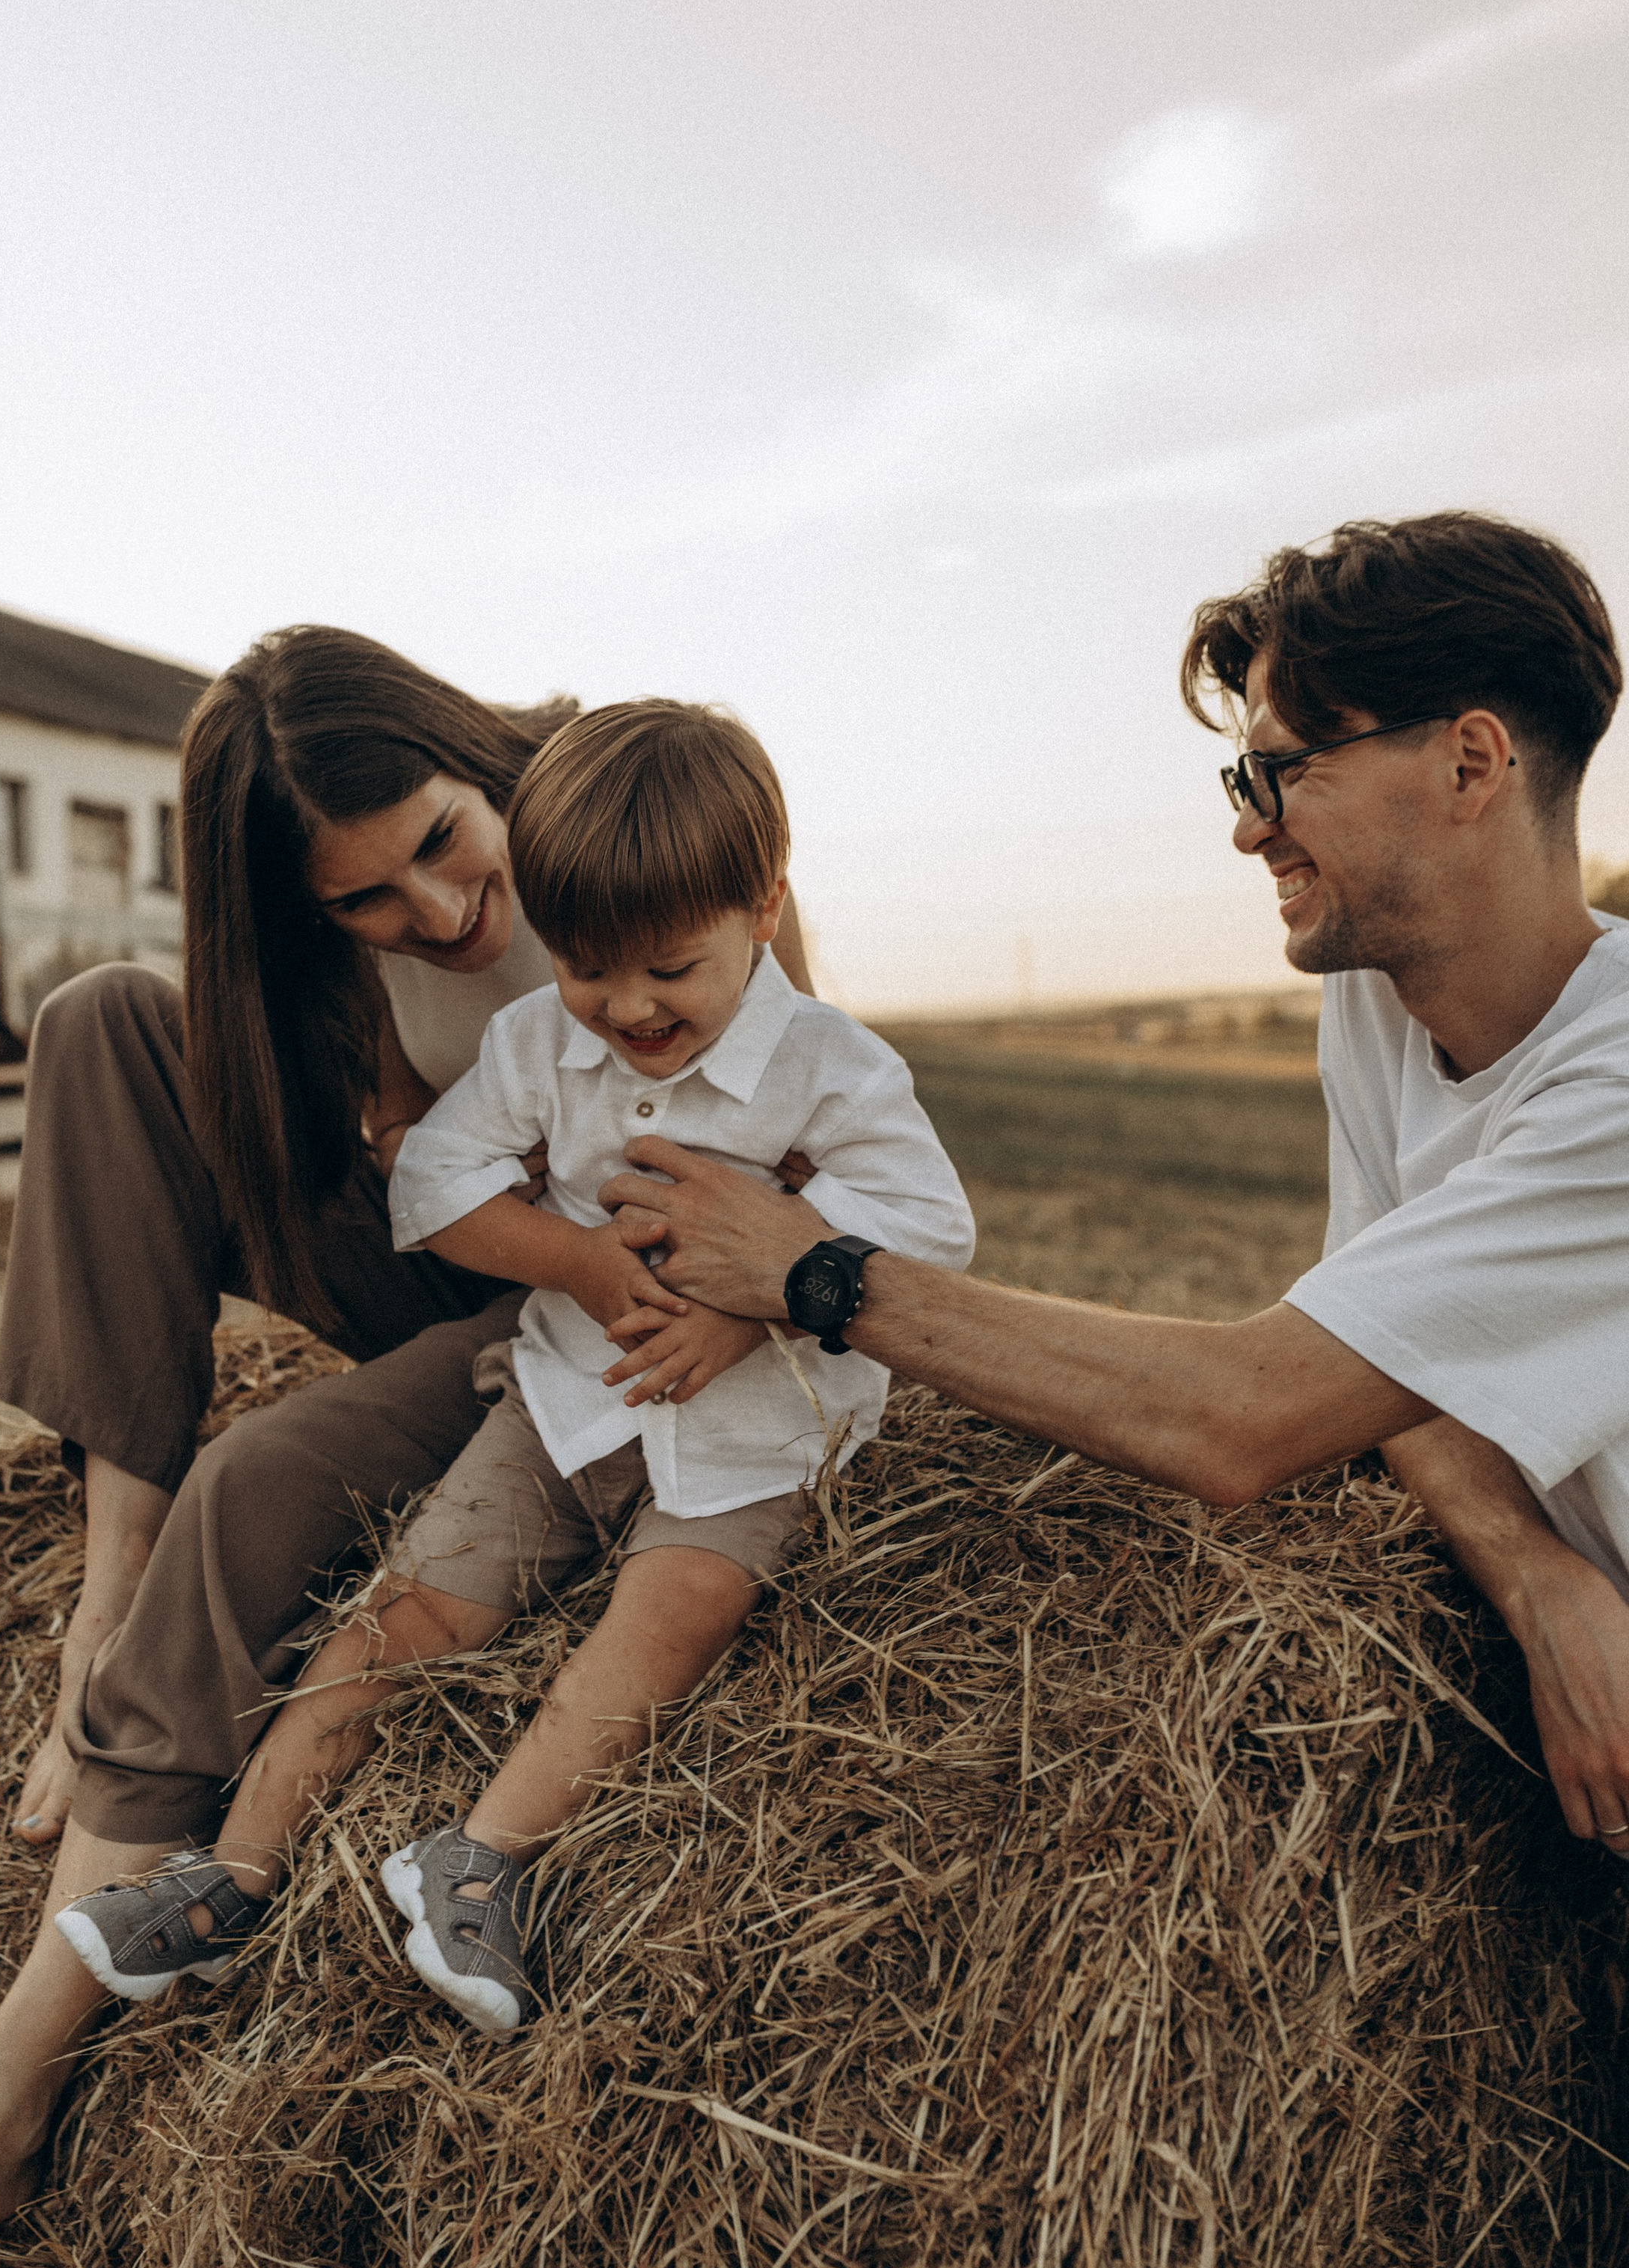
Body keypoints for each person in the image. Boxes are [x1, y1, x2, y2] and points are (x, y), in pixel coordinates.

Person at [0, 631, 819, 2268]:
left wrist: (659, 1283)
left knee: (265, 1481)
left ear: (476, 761)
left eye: (448, 847)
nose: (440, 915)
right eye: (367, 905)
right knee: (97, 1021)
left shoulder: (613, 807)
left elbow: (783, 1093)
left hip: (597, 1295)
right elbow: (395, 1161)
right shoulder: (316, 956)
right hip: (442, 1245)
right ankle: (109, 1585)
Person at [598, 512, 1629, 1863]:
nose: (1252, 834)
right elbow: (1392, 1377)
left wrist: (817, 1273)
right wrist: (1539, 1576)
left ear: (1473, 760)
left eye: (1283, 774)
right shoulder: (1380, 1004)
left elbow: (1246, 1418)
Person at [49, 701, 975, 2031]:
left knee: (672, 1616)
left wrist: (757, 1299)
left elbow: (932, 1224)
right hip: (559, 1398)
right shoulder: (545, 1039)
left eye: (670, 969)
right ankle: (232, 1873)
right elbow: (433, 1176)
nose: (630, 1008)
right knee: (415, 1602)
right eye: (593, 970)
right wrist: (582, 1262)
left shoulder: (833, 1067)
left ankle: (480, 1858)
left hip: (753, 1423)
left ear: (762, 911)